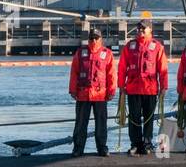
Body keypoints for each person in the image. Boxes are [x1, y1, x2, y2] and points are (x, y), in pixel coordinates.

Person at [118, 20, 168, 156]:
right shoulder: (130, 46)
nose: (140, 31)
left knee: (148, 118)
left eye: (143, 29)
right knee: (134, 118)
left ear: (150, 30)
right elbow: (122, 67)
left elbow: (163, 69)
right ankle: (135, 143)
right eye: (138, 28)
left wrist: (164, 87)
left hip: (150, 89)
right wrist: (121, 85)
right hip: (133, 89)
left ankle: (147, 142)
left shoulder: (157, 47)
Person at [69, 28, 116, 157]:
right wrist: (72, 90)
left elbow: (111, 75)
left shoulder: (107, 54)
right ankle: (78, 148)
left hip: (100, 95)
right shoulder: (80, 53)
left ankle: (102, 148)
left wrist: (112, 90)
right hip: (83, 94)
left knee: (101, 123)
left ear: (101, 39)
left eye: (96, 38)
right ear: (88, 39)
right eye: (91, 38)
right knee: (80, 123)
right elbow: (74, 73)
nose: (93, 40)